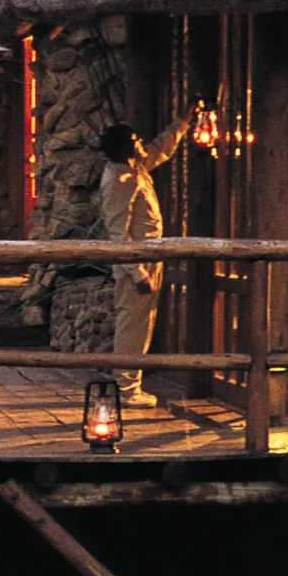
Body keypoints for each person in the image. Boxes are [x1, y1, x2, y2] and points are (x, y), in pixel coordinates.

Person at [98, 115, 191, 403]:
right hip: (135, 261)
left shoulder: (135, 168)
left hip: (150, 255)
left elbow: (160, 148)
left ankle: (130, 384)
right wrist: (138, 273)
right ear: (125, 148)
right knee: (133, 324)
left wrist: (186, 119)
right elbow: (117, 232)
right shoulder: (118, 179)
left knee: (143, 322)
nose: (141, 144)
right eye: (135, 141)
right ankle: (127, 388)